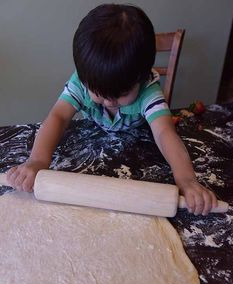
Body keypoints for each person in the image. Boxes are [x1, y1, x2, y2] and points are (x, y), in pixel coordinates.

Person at [6, 4, 217, 216]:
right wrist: (37, 161)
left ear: (142, 79)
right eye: (99, 93)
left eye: (120, 95)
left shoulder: (148, 92)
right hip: (95, 139)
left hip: (140, 145)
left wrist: (186, 179)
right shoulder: (82, 83)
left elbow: (164, 133)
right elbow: (58, 116)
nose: (108, 102)